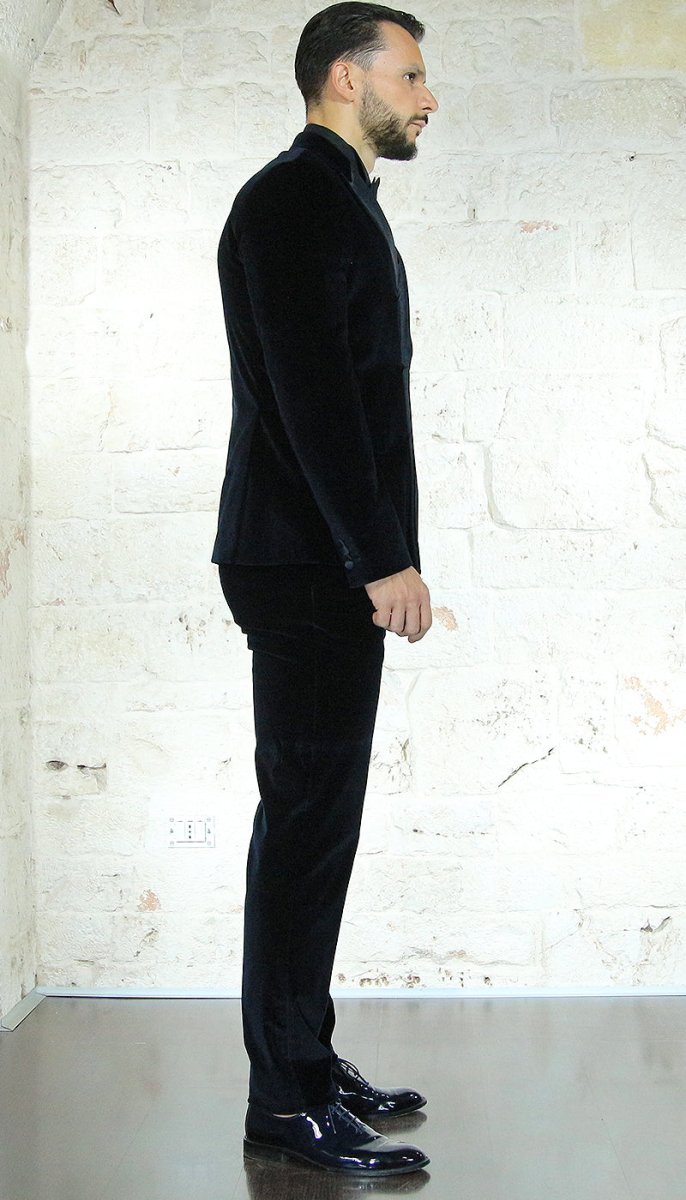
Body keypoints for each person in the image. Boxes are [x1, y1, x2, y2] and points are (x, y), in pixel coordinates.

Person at [212, 0, 438, 1177]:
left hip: (319, 558)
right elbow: (313, 404)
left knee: (319, 825)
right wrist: (379, 558)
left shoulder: (337, 196)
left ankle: (306, 1056)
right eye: (409, 75)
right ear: (345, 78)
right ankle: (282, 1101)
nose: (427, 97)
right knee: (304, 827)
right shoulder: (294, 199)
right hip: (305, 563)